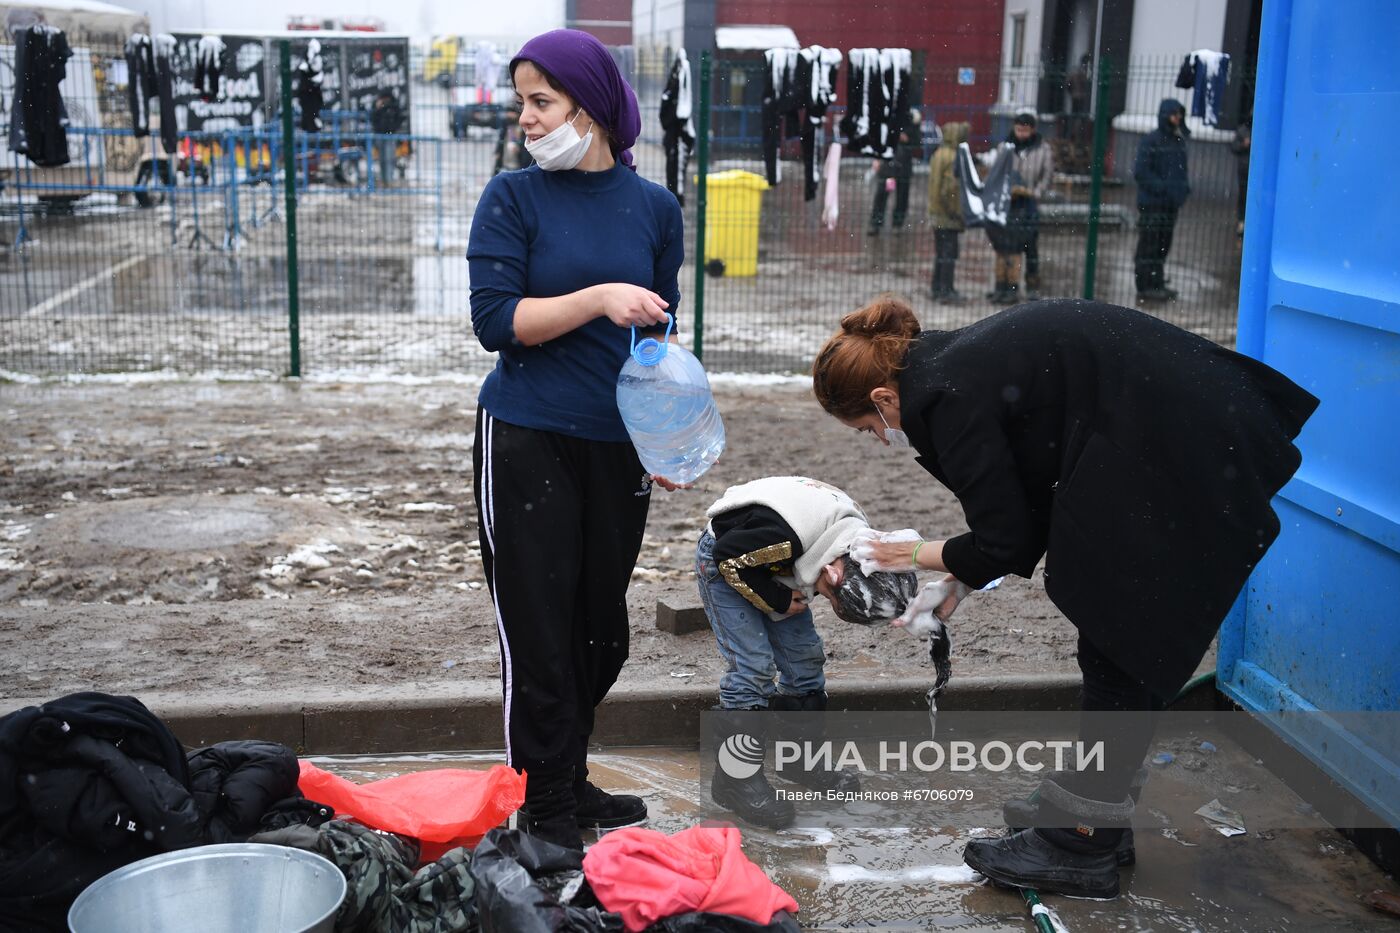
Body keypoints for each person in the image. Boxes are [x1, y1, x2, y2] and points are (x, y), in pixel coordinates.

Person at [810, 295, 1317, 900]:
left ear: (882, 398)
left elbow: (1006, 537)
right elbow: (1032, 495)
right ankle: (1096, 811)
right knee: (1120, 636)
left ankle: (1081, 841)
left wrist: (913, 553)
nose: (882, 437)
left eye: (871, 429)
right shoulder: (952, 362)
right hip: (1189, 433)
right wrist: (960, 580)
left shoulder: (943, 395)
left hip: (1184, 450)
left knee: (1120, 639)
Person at [466, 28, 686, 852]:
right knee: (539, 628)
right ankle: (545, 801)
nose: (524, 116)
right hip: (525, 436)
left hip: (616, 442)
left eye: (540, 100)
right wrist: (596, 296)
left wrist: (665, 436)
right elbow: (497, 324)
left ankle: (573, 773)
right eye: (522, 99)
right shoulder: (512, 199)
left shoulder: (655, 206)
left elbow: (661, 333)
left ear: (588, 110)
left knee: (601, 626)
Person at [697, 476, 918, 829]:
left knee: (804, 662)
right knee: (753, 666)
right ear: (830, 574)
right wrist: (781, 600)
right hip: (727, 562)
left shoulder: (856, 545)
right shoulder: (781, 540)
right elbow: (728, 559)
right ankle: (734, 781)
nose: (824, 600)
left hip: (775, 565)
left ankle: (798, 760)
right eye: (830, 597)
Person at [989, 112, 1054, 303]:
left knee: (1031, 247)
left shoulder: (1042, 149)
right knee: (1007, 245)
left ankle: (1032, 285)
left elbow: (1047, 176)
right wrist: (1006, 190)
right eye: (1018, 129)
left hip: (1030, 203)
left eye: (1025, 130)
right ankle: (1003, 286)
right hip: (1008, 204)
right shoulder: (1005, 147)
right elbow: (996, 173)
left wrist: (1035, 192)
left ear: (1032, 130)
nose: (1021, 134)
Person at [1133, 98, 1190, 301]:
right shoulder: (1151, 140)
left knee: (1163, 245)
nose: (1178, 118)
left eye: (1180, 114)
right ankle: (1145, 285)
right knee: (1149, 244)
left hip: (1170, 205)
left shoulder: (1178, 142)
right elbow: (1141, 172)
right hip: (1152, 204)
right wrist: (1163, 189)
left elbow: (1181, 172)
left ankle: (1157, 283)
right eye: (1175, 114)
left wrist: (1182, 191)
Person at [927, 121, 969, 303]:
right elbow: (950, 189)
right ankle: (946, 290)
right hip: (947, 215)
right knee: (949, 254)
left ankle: (937, 287)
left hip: (936, 212)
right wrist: (956, 212)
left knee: (941, 253)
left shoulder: (938, 154)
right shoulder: (953, 157)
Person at [868, 108, 921, 236]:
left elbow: (917, 141)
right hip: (889, 169)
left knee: (901, 198)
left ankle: (897, 224)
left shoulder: (911, 119)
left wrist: (906, 139)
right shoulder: (887, 118)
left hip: (902, 168)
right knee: (883, 195)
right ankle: (876, 223)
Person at [370, 92, 404, 186]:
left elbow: (398, 118)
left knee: (389, 158)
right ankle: (385, 180)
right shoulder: (377, 105)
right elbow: (374, 119)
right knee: (382, 159)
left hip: (390, 135)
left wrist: (392, 128)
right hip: (380, 134)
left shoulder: (393, 106)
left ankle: (389, 179)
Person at [1231, 117, 1251, 237]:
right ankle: (1241, 220)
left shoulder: (1262, 129)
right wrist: (1244, 145)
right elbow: (1234, 147)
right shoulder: (1243, 130)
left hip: (1251, 168)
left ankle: (1246, 221)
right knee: (1243, 195)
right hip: (1244, 168)